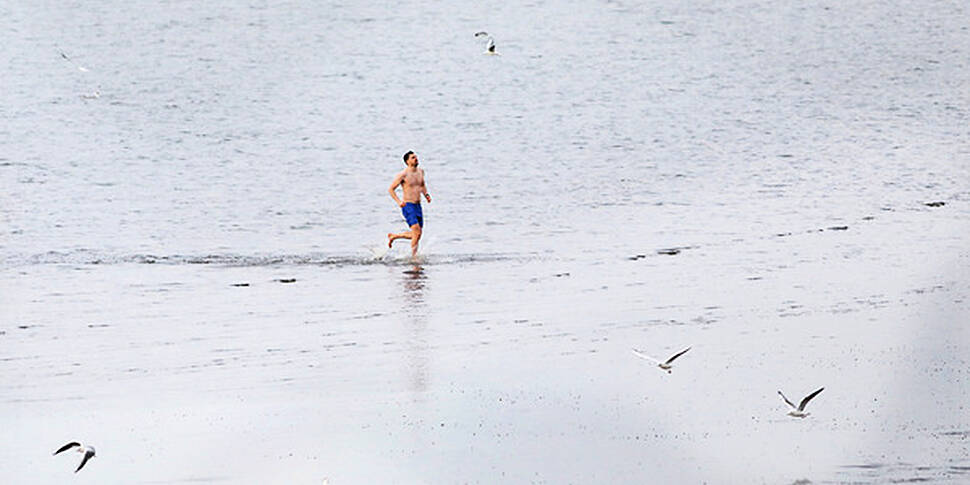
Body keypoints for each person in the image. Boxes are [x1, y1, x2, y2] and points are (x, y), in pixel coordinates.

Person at [387, 151, 431, 258]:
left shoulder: (421, 172)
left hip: (418, 206)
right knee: (416, 230)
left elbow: (422, 185)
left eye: (416, 157)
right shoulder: (403, 175)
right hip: (408, 205)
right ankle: (414, 257)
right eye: (413, 158)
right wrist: (399, 202)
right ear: (407, 161)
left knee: (417, 234)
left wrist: (426, 194)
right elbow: (391, 189)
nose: (416, 159)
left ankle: (394, 236)